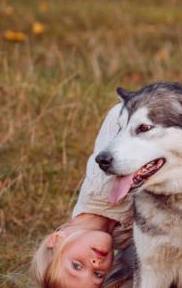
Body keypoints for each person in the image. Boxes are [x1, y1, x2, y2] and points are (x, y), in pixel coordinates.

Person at [30, 104, 133, 288]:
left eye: (76, 265)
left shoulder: (100, 186)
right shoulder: (126, 243)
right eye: (98, 274)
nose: (95, 264)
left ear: (56, 240)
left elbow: (121, 114)